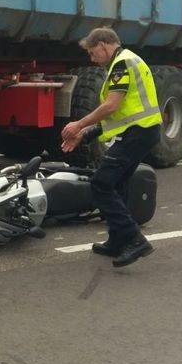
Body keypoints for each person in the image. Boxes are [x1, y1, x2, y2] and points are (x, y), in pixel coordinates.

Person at [61, 27, 162, 267]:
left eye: (92, 51)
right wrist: (85, 134)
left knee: (101, 184)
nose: (91, 58)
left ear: (104, 45)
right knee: (118, 184)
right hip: (141, 132)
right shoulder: (125, 61)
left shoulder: (122, 63)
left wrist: (78, 125)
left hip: (137, 133)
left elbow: (111, 107)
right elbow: (119, 117)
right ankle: (117, 240)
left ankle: (135, 239)